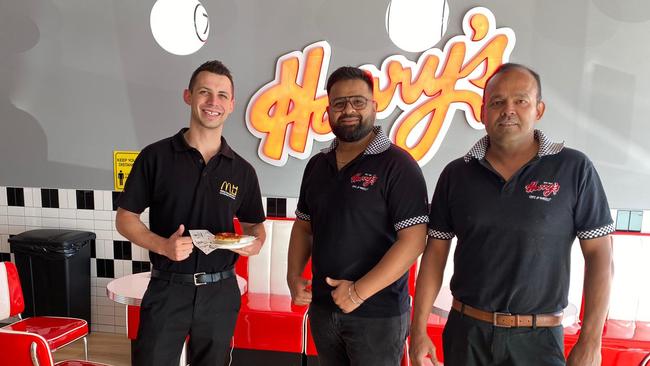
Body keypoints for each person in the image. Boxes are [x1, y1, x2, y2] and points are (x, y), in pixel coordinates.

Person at [410, 63, 613, 366]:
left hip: (538, 342)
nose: (508, 110)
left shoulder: (574, 169)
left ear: (539, 109)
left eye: (521, 100)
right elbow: (435, 254)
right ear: (482, 112)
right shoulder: (456, 174)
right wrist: (417, 331)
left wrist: (591, 341)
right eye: (497, 102)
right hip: (467, 336)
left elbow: (600, 256)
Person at [115, 60, 266, 366]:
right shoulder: (155, 157)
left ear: (232, 104)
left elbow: (255, 226)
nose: (213, 102)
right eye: (204, 92)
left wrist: (254, 244)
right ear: (188, 96)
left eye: (222, 95)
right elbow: (125, 218)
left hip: (221, 290)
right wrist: (162, 246)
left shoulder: (243, 171)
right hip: (167, 287)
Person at [287, 66, 429, 366]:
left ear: (374, 106)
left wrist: (358, 292)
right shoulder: (317, 166)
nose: (348, 109)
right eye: (339, 103)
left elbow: (414, 240)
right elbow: (303, 227)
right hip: (324, 310)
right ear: (328, 111)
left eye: (358, 101)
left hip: (378, 315)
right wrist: (293, 276)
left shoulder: (398, 166)